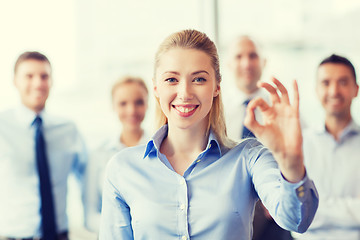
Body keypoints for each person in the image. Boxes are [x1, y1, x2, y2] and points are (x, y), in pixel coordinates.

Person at [99, 29, 319, 240]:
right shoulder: (122, 168)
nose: (184, 93)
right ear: (156, 88)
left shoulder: (248, 157)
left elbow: (296, 221)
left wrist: (291, 163)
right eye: (171, 80)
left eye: (199, 79)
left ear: (216, 87)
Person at [0, 51, 87, 240]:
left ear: (52, 81)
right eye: (29, 76)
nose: (38, 83)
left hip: (60, 235)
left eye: (44, 76)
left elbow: (87, 178)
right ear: (15, 81)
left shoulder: (68, 129)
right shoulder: (1, 127)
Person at [226, 35, 293, 240]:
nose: (246, 63)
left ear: (263, 62)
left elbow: (300, 161)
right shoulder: (216, 115)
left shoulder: (283, 111)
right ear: (228, 64)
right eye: (239, 57)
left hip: (275, 217)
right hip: (230, 216)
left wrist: (280, 191)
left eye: (253, 56)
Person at [292, 54, 360, 239]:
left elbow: (304, 212)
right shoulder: (299, 144)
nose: (334, 91)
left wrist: (313, 209)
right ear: (316, 90)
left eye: (343, 82)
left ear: (356, 89)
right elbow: (294, 213)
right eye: (326, 83)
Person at [85, 76, 151, 233]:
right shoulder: (98, 154)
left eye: (139, 102)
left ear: (148, 104)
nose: (131, 110)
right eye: (123, 103)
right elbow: (90, 216)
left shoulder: (162, 150)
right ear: (113, 106)